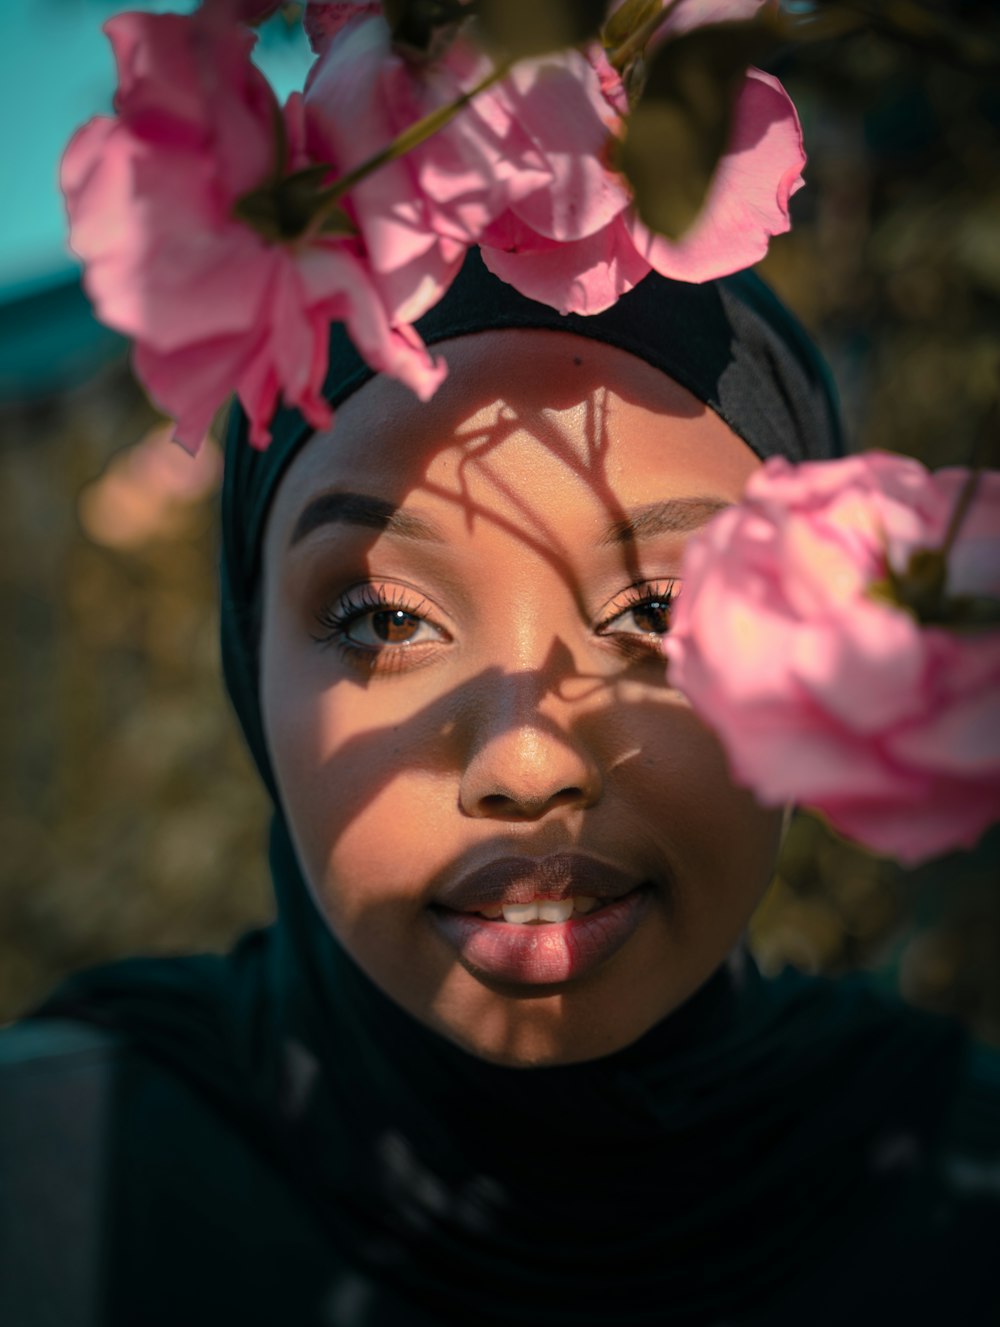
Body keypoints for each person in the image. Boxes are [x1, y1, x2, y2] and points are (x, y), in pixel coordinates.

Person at [1, 252, 998, 1327]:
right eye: (383, 618)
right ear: (251, 661)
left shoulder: (964, 1184)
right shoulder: (57, 1181)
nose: (530, 765)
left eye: (663, 613)